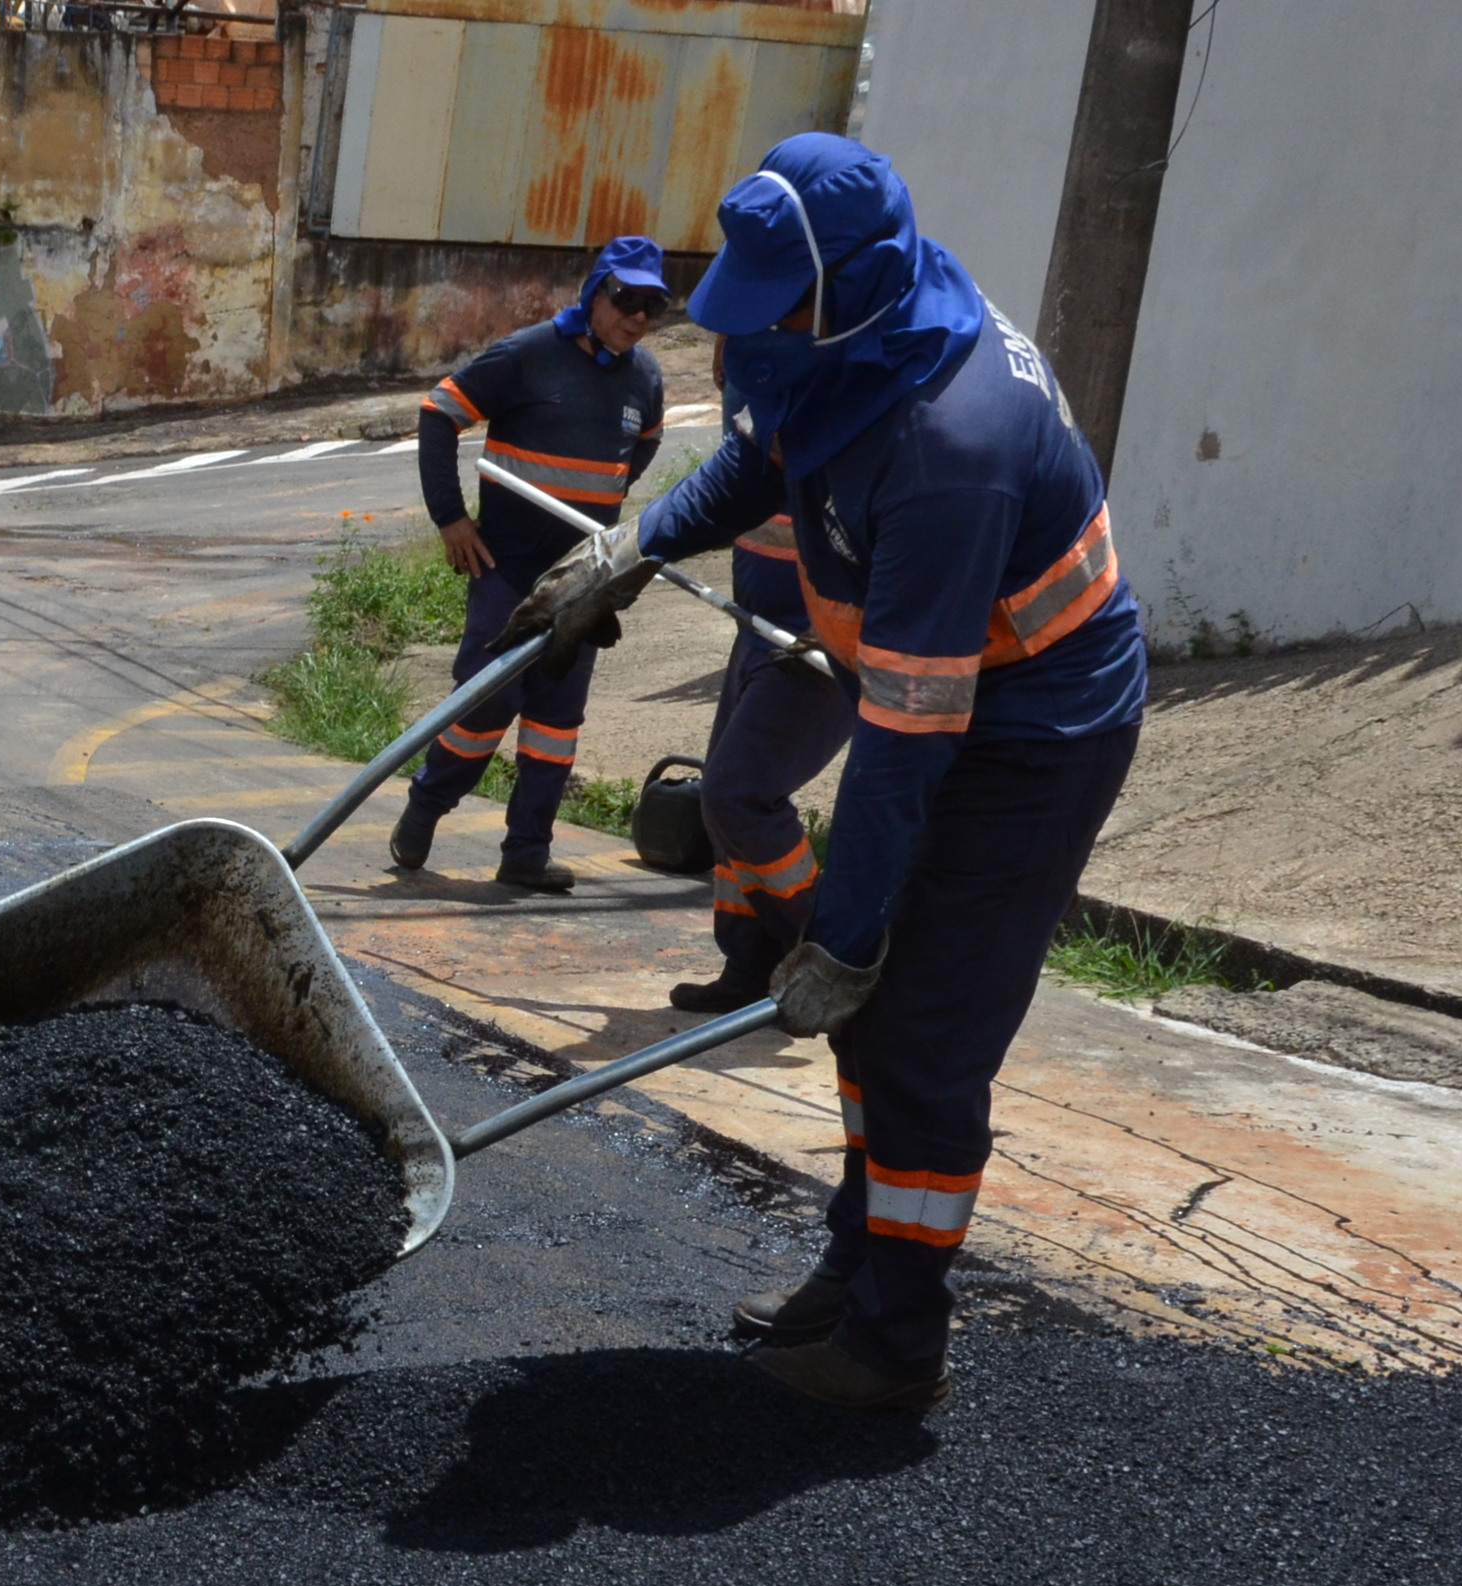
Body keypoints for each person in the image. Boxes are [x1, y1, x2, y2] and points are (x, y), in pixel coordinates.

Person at [508, 134, 1148, 1412]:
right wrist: (630, 550)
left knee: (917, 1032)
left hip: (1034, 734)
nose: (752, 335)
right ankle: (858, 1271)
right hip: (939, 700)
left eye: (774, 308)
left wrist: (842, 940)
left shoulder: (949, 447)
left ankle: (897, 1345)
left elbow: (908, 745)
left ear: (851, 283)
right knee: (876, 1023)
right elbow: (762, 453)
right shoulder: (846, 335)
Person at [392, 234, 675, 895]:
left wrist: (602, 495)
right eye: (625, 298)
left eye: (650, 306)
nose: (636, 315)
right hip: (510, 570)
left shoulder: (647, 377)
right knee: (483, 710)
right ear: (595, 292)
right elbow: (439, 414)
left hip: (586, 580)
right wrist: (451, 518)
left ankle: (527, 853)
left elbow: (649, 441)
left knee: (554, 725)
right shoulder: (528, 356)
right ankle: (427, 806)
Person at [665, 366, 853, 1013]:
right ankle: (749, 964)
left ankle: (831, 953)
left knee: (737, 793)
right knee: (725, 806)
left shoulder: (849, 412)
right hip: (758, 630)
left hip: (818, 641)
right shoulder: (752, 401)